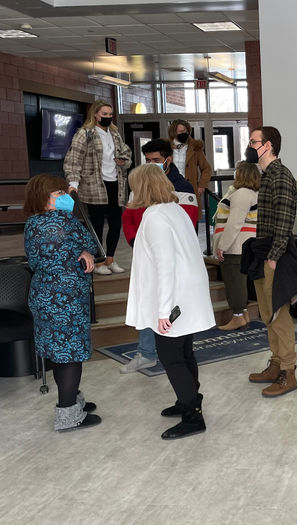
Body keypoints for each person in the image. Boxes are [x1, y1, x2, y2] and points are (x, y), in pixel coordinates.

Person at [125, 164, 215, 440]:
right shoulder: (174, 210)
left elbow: (165, 265)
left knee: (171, 356)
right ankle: (188, 399)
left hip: (174, 295)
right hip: (187, 290)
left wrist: (163, 310)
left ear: (141, 188)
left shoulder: (154, 217)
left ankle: (192, 414)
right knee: (185, 350)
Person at [23, 174, 101, 431]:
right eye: (58, 193)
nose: (65, 196)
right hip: (65, 297)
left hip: (43, 293)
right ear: (44, 199)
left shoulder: (31, 224)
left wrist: (76, 250)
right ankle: (68, 416)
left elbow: (36, 259)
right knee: (70, 355)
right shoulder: (64, 221)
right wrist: (82, 250)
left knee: (59, 353)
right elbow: (92, 244)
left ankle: (71, 401)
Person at [119, 139, 199, 373]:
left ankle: (174, 355)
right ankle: (146, 352)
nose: (151, 164)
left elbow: (189, 222)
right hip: (145, 254)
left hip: (173, 259)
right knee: (147, 304)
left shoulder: (182, 187)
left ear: (168, 159)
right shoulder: (140, 185)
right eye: (148, 160)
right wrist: (136, 241)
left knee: (167, 308)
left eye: (156, 160)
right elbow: (128, 217)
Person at [243, 126, 297, 397]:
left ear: (267, 145)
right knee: (267, 313)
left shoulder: (281, 175)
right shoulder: (266, 175)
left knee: (278, 314)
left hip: (274, 255)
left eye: (253, 141)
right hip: (263, 250)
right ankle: (276, 363)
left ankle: (288, 372)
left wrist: (274, 256)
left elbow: (285, 219)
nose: (250, 146)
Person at [64, 99, 132, 275]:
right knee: (96, 225)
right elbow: (73, 160)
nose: (108, 117)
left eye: (110, 115)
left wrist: (124, 161)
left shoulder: (115, 134)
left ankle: (110, 259)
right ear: (95, 114)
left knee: (116, 224)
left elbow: (127, 153)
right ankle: (99, 261)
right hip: (94, 186)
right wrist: (73, 183)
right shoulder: (85, 134)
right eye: (104, 114)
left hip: (115, 184)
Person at [213, 161, 260, 331]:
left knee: (234, 282)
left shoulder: (241, 194)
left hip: (236, 245)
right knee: (240, 282)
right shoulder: (253, 193)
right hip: (245, 244)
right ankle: (244, 314)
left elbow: (234, 224)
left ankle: (238, 316)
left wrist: (222, 246)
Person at [167, 119, 212, 212]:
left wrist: (202, 185)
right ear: (173, 132)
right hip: (169, 187)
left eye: (187, 131)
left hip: (189, 187)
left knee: (191, 215)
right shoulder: (166, 147)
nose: (185, 133)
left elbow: (206, 168)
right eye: (181, 131)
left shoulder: (195, 148)